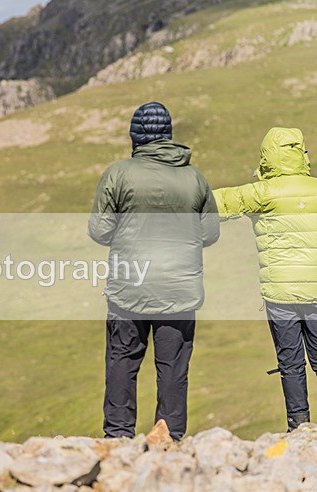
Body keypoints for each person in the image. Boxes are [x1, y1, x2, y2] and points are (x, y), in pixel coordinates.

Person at [88, 101, 220, 441]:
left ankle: (118, 438)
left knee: (122, 361)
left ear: (135, 136)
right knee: (173, 369)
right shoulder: (195, 177)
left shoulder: (118, 173)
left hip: (128, 289)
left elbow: (99, 230)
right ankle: (171, 437)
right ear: (169, 135)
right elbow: (209, 234)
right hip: (179, 290)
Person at [212, 127, 317, 432]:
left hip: (280, 295)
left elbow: (213, 203)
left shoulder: (260, 193)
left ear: (267, 158)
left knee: (291, 364)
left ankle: (299, 427)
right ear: (301, 154)